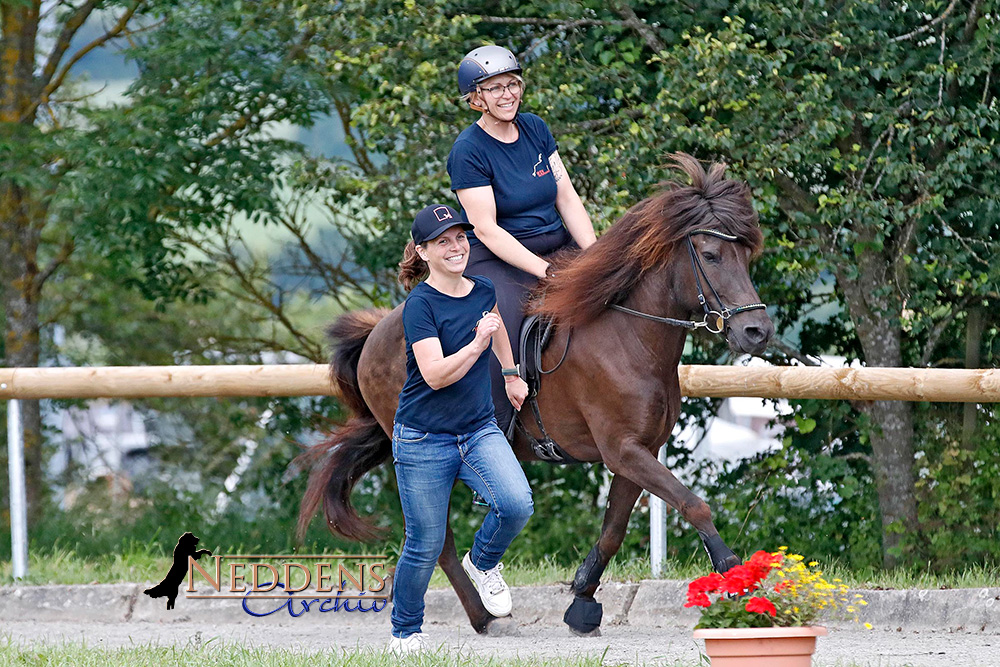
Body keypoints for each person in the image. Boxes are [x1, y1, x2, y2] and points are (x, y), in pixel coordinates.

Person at [388, 203, 534, 654]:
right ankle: (405, 632)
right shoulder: (420, 306)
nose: (456, 247)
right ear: (424, 251)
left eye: (460, 238)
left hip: (476, 430)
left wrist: (510, 374)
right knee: (425, 544)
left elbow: (497, 328)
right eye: (443, 241)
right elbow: (436, 375)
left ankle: (483, 562)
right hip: (422, 438)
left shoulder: (483, 287)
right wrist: (476, 344)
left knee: (516, 505)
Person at [448, 45, 598, 435]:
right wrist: (545, 271)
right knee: (504, 333)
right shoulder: (468, 151)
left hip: (557, 245)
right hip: (500, 259)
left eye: (513, 84)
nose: (508, 94)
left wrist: (595, 255)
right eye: (495, 88)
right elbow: (487, 229)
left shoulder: (535, 128)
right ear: (475, 98)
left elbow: (566, 196)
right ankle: (493, 437)